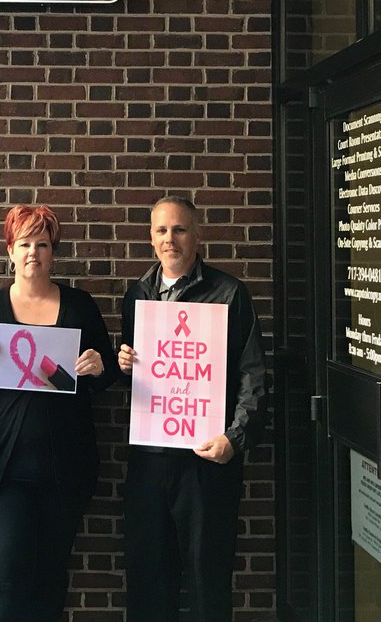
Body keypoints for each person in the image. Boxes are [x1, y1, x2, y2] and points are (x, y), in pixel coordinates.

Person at [0, 204, 120, 622]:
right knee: (3, 580)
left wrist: (100, 367)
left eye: (42, 244)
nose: (33, 253)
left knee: (50, 581)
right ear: (9, 250)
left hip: (65, 468)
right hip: (1, 473)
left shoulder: (80, 305)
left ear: (53, 252)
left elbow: (104, 375)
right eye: (24, 243)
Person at [117, 196, 266, 622]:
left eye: (180, 229)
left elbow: (252, 377)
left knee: (208, 578)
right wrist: (125, 362)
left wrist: (233, 439)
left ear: (197, 236)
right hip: (150, 461)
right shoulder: (138, 295)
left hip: (206, 461)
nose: (170, 239)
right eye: (162, 230)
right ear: (150, 237)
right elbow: (145, 375)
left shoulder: (229, 293)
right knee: (147, 577)